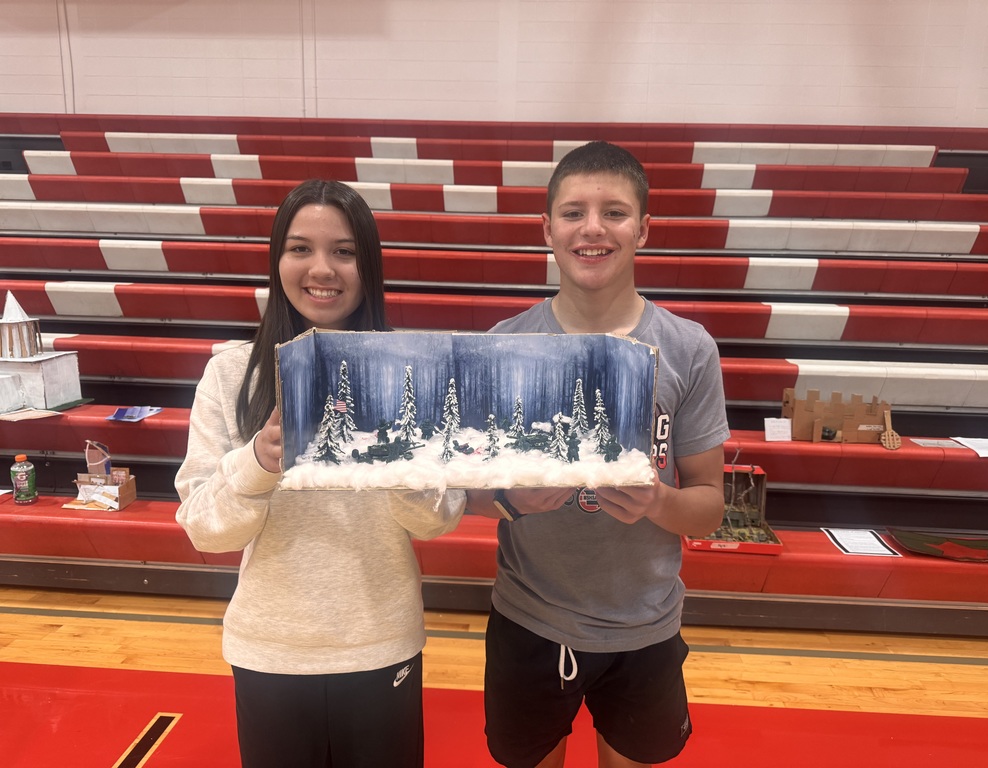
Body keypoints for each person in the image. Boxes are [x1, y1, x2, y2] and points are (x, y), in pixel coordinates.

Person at [175, 179, 465, 768]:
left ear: (369, 265)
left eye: (345, 251)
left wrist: (395, 459)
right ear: (277, 258)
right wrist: (260, 461)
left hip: (381, 645)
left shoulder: (410, 372)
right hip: (270, 652)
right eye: (301, 248)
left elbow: (441, 517)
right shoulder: (233, 374)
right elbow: (204, 530)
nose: (322, 269)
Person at [468, 141, 731, 768]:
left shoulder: (689, 349)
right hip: (530, 620)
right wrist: (510, 499)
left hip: (646, 625)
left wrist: (658, 501)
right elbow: (463, 496)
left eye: (614, 212)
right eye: (573, 212)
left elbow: (709, 508)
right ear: (547, 229)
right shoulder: (504, 346)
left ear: (643, 228)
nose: (592, 228)